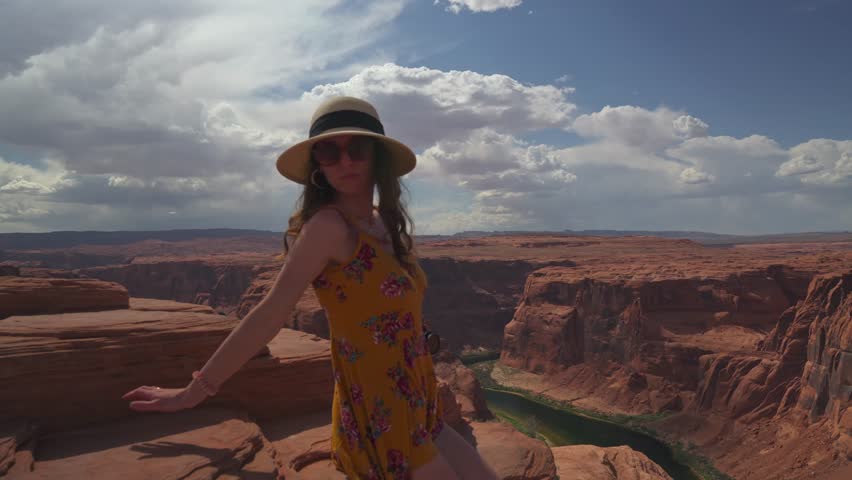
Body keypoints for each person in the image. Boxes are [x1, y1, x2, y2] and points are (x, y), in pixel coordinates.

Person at [122, 96, 499, 480]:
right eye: (329, 151)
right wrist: (192, 393)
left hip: (418, 397)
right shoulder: (327, 228)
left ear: (377, 156)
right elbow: (270, 312)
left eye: (358, 148)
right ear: (317, 164)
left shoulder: (385, 224)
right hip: (379, 408)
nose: (345, 161)